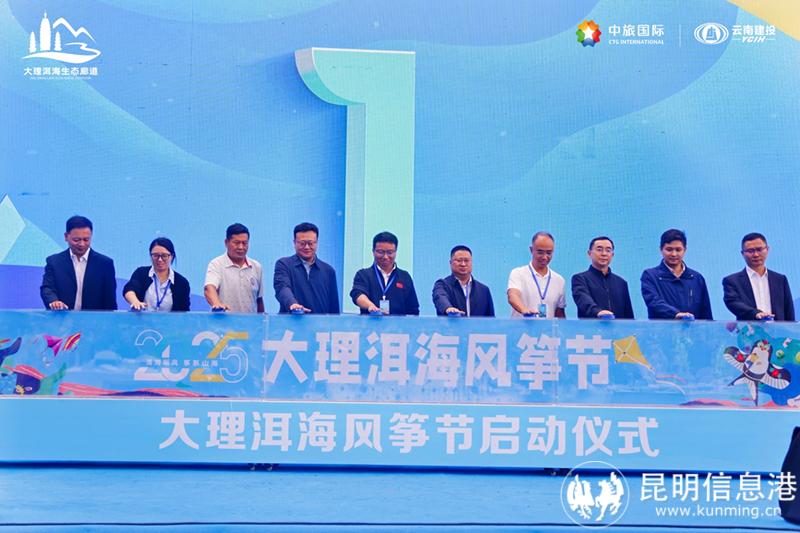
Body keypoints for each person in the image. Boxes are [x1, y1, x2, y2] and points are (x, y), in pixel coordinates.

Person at [40, 215, 117, 311]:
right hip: (62, 317)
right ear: (66, 237)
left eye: (86, 239)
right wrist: (54, 301)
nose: (82, 244)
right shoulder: (54, 262)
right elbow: (47, 288)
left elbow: (110, 300)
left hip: (94, 319)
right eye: (76, 240)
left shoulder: (105, 264)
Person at [640, 229, 713, 320]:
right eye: (669, 249)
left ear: (685, 250)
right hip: (661, 328)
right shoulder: (650, 276)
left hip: (692, 329)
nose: (674, 254)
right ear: (661, 249)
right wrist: (675, 314)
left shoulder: (697, 278)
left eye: (678, 250)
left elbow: (706, 313)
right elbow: (653, 302)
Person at [723, 232, 795, 321]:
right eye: (750, 251)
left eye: (759, 249)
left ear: (767, 249)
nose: (756, 254)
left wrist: (791, 329)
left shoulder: (780, 279)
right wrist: (755, 313)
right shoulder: (732, 281)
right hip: (748, 329)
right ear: (742, 253)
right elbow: (733, 302)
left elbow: (788, 310)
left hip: (777, 329)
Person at [273, 222, 339, 314]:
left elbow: (334, 307)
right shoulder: (284, 265)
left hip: (320, 323)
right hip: (292, 321)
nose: (307, 247)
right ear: (294, 243)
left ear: (317, 243)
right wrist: (292, 303)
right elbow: (282, 288)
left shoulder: (328, 271)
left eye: (310, 243)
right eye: (302, 243)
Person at [350, 231, 419, 315]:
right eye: (380, 252)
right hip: (371, 322)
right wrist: (370, 306)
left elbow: (413, 309)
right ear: (373, 251)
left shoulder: (405, 277)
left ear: (396, 252)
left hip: (398, 323)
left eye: (390, 252)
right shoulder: (363, 275)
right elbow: (358, 295)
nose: (385, 257)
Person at [204, 223, 264, 313]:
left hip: (250, 321)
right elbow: (209, 288)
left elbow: (259, 300)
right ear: (226, 242)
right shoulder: (216, 264)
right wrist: (217, 304)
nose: (241, 247)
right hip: (224, 321)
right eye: (236, 243)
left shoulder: (256, 266)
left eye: (245, 243)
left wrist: (262, 320)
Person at [507, 231, 567, 318]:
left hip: (547, 327)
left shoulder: (559, 280)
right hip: (521, 326)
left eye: (549, 253)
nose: (544, 257)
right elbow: (513, 296)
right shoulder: (518, 273)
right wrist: (524, 310)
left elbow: (560, 314)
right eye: (540, 252)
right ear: (531, 250)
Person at [571, 236, 634, 319]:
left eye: (608, 250)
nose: (604, 254)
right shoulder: (580, 279)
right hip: (591, 326)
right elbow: (583, 301)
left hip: (618, 327)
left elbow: (628, 315)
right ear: (589, 253)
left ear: (612, 255)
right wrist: (598, 312)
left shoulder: (621, 283)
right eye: (599, 249)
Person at [123, 238, 190, 312]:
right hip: (142, 319)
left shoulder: (181, 283)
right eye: (155, 255)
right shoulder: (141, 273)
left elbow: (184, 312)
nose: (160, 259)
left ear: (172, 256)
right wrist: (135, 302)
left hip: (170, 320)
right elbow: (129, 290)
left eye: (164, 256)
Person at [432, 245, 495, 317]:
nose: (463, 264)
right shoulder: (442, 285)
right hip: (452, 324)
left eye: (466, 260)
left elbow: (491, 318)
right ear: (450, 263)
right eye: (459, 260)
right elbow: (439, 297)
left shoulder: (483, 290)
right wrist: (448, 308)